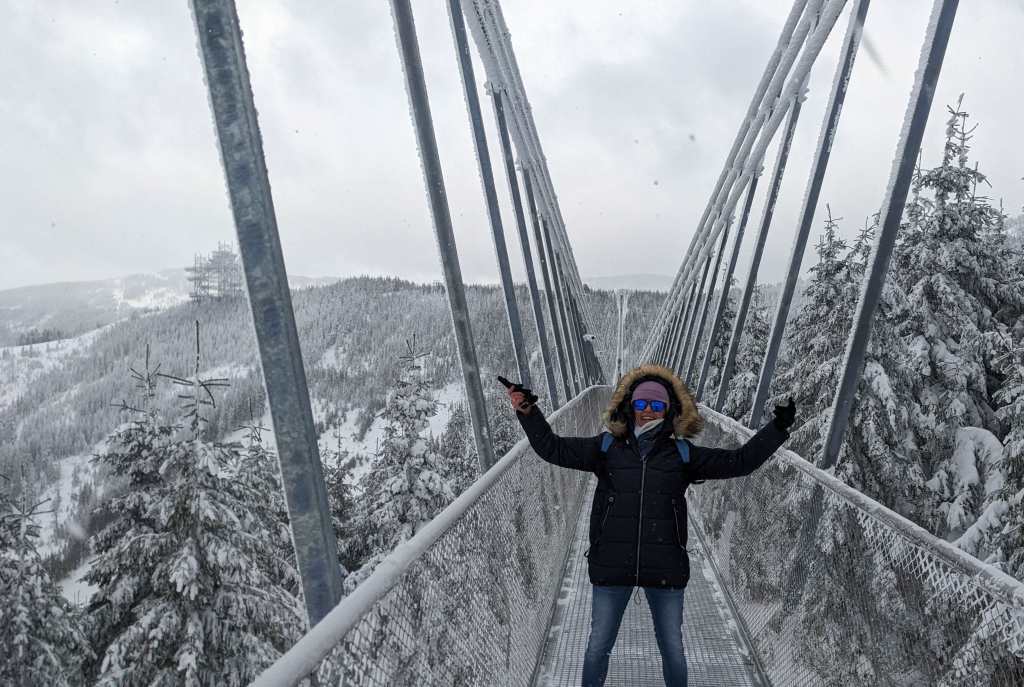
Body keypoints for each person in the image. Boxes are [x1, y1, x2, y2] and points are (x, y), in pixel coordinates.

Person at [506, 363, 795, 687]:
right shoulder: (606, 448)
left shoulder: (683, 454)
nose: (647, 411)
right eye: (641, 404)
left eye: (656, 405)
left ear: (668, 411)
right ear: (630, 407)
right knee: (597, 648)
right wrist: (529, 413)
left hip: (665, 569)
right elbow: (553, 448)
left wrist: (777, 430)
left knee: (672, 650)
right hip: (612, 567)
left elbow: (739, 462)